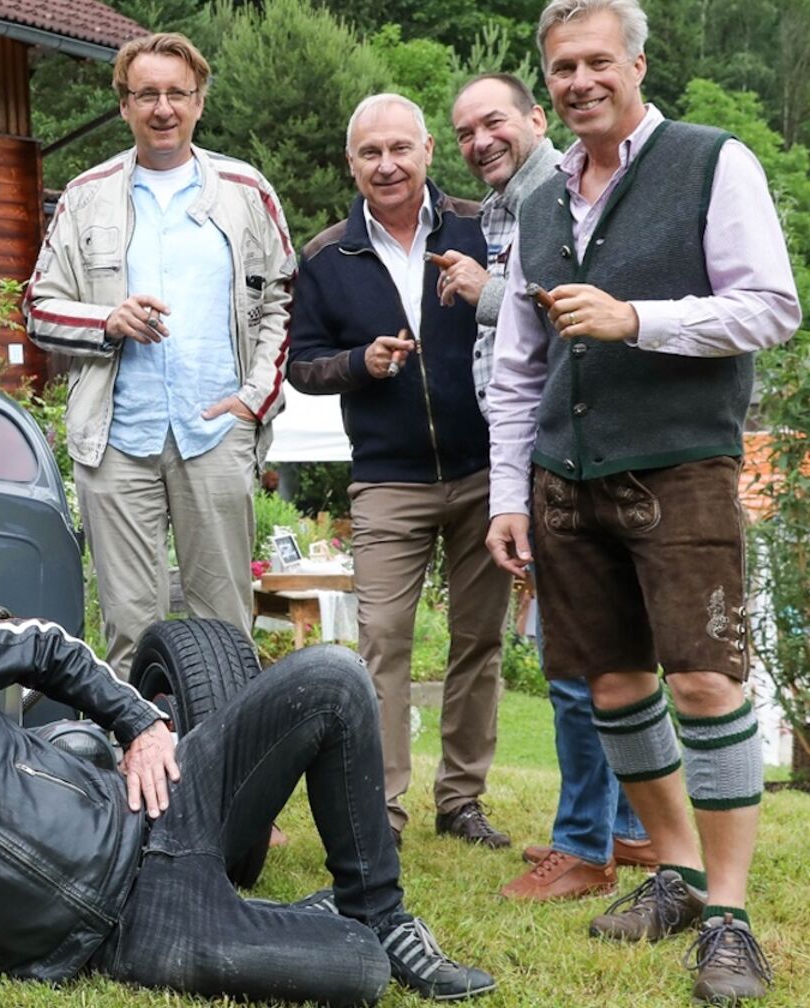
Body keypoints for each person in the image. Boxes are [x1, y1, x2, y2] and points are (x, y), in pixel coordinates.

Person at [0, 580, 495, 1006]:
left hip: (147, 808)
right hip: (122, 929)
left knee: (331, 676)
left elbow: (46, 648)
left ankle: (379, 913)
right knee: (354, 976)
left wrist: (141, 723)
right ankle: (339, 929)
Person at [484, 0, 799, 999]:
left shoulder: (714, 161)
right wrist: (508, 493)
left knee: (705, 682)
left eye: (597, 62)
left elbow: (772, 307)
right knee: (614, 687)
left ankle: (731, 915)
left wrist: (637, 319)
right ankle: (676, 870)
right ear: (549, 86)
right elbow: (518, 367)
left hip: (681, 466)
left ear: (637, 63)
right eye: (562, 69)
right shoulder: (540, 205)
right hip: (565, 478)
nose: (580, 82)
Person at [445, 72, 656, 903]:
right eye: (464, 131)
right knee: (603, 650)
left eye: (493, 121)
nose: (479, 140)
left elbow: (555, 318)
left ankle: (584, 845)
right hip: (542, 450)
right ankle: (629, 830)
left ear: (536, 120)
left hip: (564, 449)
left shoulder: (561, 198)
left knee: (574, 656)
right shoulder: (510, 207)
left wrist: (480, 291)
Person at [24, 32, 294, 671]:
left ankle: (228, 766)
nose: (163, 108)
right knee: (128, 631)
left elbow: (284, 299)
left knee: (226, 626)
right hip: (117, 438)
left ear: (200, 102)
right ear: (125, 105)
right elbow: (37, 307)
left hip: (215, 431)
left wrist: (254, 401)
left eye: (178, 93)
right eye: (147, 94)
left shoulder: (245, 189)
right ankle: (132, 766)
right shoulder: (87, 195)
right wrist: (107, 320)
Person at [286, 94, 511, 848]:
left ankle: (462, 799)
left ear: (426, 153)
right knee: (383, 639)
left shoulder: (485, 227)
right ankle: (380, 807)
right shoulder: (324, 257)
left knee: (479, 640)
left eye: (400, 149)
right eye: (370, 153)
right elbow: (303, 367)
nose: (387, 165)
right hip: (388, 478)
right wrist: (361, 362)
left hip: (485, 468)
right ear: (351, 164)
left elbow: (527, 326)